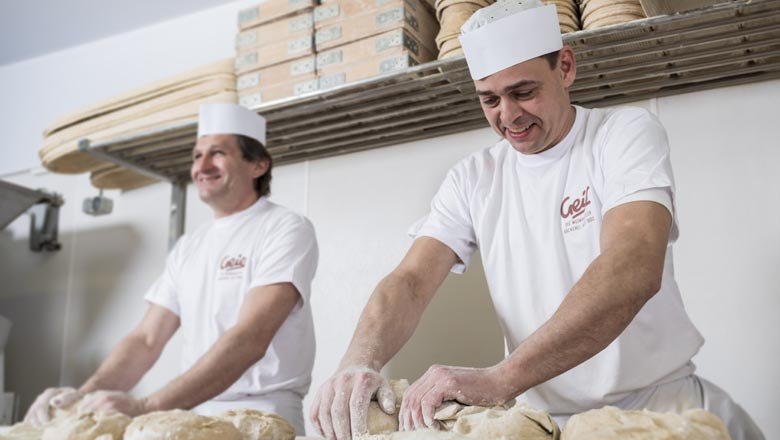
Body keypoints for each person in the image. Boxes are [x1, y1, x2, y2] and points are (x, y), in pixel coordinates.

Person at [309, 1, 764, 439]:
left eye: (523, 92)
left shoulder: (622, 135)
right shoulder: (474, 178)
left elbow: (632, 266)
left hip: (660, 414)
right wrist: (357, 361)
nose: (508, 116)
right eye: (489, 99)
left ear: (565, 67)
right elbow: (409, 280)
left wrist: (501, 378)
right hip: (543, 426)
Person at [25, 103, 318, 435]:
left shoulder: (284, 228)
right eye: (196, 156)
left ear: (258, 165)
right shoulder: (188, 246)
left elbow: (251, 337)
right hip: (192, 417)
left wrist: (145, 406)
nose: (202, 166)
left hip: (262, 417)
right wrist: (84, 395)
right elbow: (146, 339)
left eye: (218, 153)